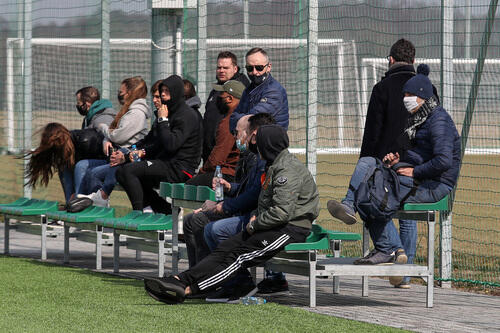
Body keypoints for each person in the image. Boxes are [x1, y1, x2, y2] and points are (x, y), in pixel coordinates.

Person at [144, 124, 320, 304]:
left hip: (290, 229)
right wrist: (255, 215)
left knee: (238, 256)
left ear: (267, 145)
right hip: (273, 225)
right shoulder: (274, 165)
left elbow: (282, 212)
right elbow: (266, 202)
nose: (255, 147)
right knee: (226, 248)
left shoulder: (286, 170)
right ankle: (181, 280)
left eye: (258, 143)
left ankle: (189, 290)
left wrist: (254, 223)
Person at [327, 65, 461, 286]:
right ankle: (356, 212)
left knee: (372, 192)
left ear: (422, 96)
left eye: (409, 95)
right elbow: (421, 154)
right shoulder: (420, 118)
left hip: (435, 185)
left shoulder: (439, 121)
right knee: (368, 167)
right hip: (419, 177)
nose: (405, 99)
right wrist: (400, 161)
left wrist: (413, 170)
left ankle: (388, 247)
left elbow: (443, 161)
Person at [352, 39, 438, 289]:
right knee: (408, 215)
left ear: (390, 60)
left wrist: (366, 161)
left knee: (374, 204)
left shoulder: (382, 88)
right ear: (413, 60)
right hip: (416, 162)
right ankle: (405, 274)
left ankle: (392, 248)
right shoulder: (428, 88)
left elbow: (373, 130)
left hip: (386, 162)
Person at [182, 112, 272, 271]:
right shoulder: (248, 156)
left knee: (203, 223)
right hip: (242, 209)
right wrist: (229, 188)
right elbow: (246, 190)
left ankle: (208, 274)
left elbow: (252, 196)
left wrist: (223, 206)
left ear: (251, 133)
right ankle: (197, 273)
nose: (235, 137)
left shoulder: (259, 160)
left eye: (236, 133)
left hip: (250, 214)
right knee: (192, 219)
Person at [115, 74, 202, 214]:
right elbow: (157, 144)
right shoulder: (169, 112)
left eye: (167, 91)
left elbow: (171, 144)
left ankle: (139, 213)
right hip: (165, 163)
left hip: (180, 169)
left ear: (176, 92)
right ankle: (163, 209)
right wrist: (132, 154)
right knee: (122, 171)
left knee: (129, 171)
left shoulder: (187, 115)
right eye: (162, 91)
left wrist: (163, 120)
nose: (162, 94)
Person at [77, 76, 152, 207]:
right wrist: (106, 139)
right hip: (117, 156)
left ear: (130, 93)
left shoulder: (136, 114)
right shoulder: (126, 111)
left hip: (130, 157)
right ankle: (91, 206)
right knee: (89, 171)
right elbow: (114, 132)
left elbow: (117, 136)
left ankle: (101, 200)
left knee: (95, 172)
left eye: (121, 92)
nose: (119, 95)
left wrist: (102, 128)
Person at [59, 86, 117, 203]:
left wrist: (106, 140)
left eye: (79, 103)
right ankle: (71, 202)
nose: (77, 106)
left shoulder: (104, 116)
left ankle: (80, 204)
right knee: (65, 164)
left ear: (87, 104)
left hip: (107, 159)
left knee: (82, 165)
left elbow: (109, 135)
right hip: (94, 157)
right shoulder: (89, 117)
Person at [186, 80, 245, 187]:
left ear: (230, 99)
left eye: (222, 94)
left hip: (228, 174)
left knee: (188, 186)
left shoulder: (229, 121)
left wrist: (202, 171)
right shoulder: (244, 117)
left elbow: (218, 157)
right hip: (240, 173)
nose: (218, 97)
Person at [203, 51, 250, 162]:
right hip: (211, 151)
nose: (221, 71)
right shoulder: (217, 88)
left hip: (225, 155)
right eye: (219, 67)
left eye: (225, 68)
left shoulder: (238, 89)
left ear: (235, 69)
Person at [229, 47, 289, 132]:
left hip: (269, 143)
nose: (254, 72)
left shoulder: (274, 90)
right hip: (253, 141)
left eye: (259, 68)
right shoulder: (249, 89)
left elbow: (255, 119)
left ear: (268, 67)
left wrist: (241, 121)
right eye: (250, 68)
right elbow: (233, 118)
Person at [25, 123, 76, 191]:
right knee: (64, 168)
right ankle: (72, 200)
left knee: (80, 166)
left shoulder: (81, 141)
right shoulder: (62, 158)